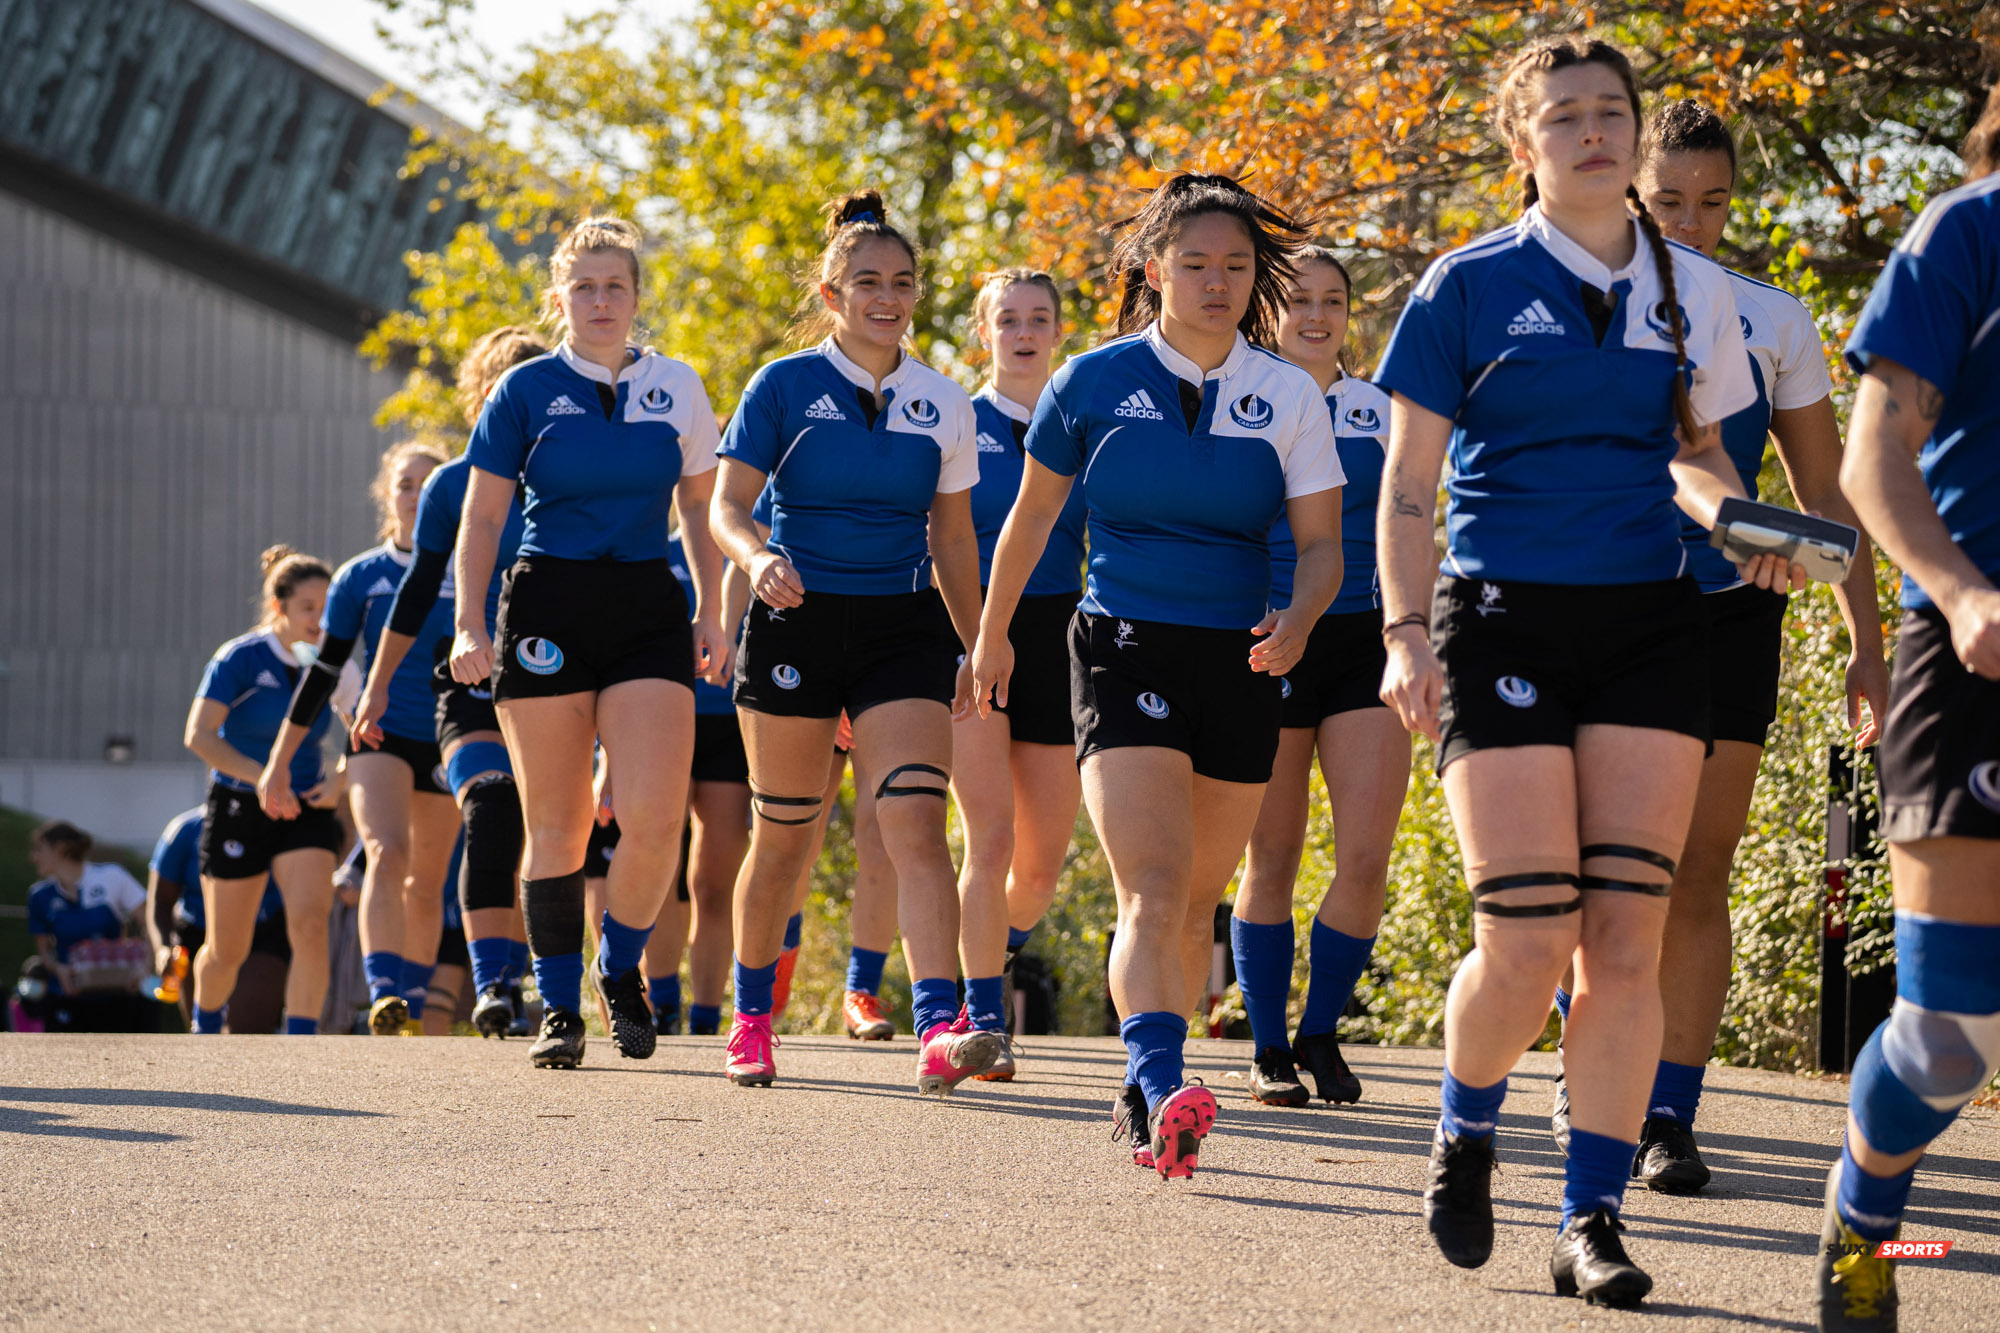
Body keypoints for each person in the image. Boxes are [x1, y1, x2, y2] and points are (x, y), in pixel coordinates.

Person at [1373, 35, 1813, 1304]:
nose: (1591, 132)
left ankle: (1590, 1215)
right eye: (1561, 116)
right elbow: (1406, 490)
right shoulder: (1460, 287)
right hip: (1498, 617)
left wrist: (1748, 532)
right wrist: (1404, 635)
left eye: (1609, 112)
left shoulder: (1692, 293)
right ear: (1523, 145)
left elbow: (1697, 457)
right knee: (1526, 935)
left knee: (1623, 938)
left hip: (1649, 622)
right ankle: (1463, 1126)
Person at [971, 172, 1345, 1178]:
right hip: (1121, 641)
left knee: (1194, 905)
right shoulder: (1088, 382)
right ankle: (1163, 1076)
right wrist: (992, 633)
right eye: (1194, 265)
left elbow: (1319, 546)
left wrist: (1302, 617)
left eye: (1234, 267)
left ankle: (1141, 1086)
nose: (1216, 283)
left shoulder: (1288, 395)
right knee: (1149, 884)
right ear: (1153, 271)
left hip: (1241, 654)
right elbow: (1030, 520)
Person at [1551, 99, 1885, 1192]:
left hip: (1729, 610)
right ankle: (1586, 1061)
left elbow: (1823, 495)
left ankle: (1665, 1116)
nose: (1689, 224)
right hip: (1590, 603)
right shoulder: (1559, 302)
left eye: (1713, 202)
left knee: (1697, 869)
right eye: (1668, 202)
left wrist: (1865, 647)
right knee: (1594, 872)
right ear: (1628, 193)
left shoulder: (1769, 319)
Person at [710, 189, 995, 1093]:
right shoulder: (783, 386)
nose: (888, 296)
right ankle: (752, 1018)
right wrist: (756, 559)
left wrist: (978, 640)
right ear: (832, 295)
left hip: (902, 626)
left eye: (903, 282)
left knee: (913, 819)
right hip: (797, 614)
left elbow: (953, 540)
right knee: (785, 834)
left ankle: (940, 1028)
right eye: (867, 281)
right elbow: (725, 507)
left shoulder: (944, 402)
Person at [1812, 86, 2000, 1332]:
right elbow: (1868, 453)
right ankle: (1866, 1215)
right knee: (1946, 1037)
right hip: (1972, 650)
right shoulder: (1964, 236)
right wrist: (1956, 590)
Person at [451, 216, 726, 1070]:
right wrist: (467, 620)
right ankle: (559, 1006)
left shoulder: (676, 385)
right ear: (560, 298)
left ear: (637, 298)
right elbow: (483, 515)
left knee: (652, 820)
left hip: (646, 600)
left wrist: (713, 608)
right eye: (584, 286)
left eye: (615, 286)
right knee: (561, 825)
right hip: (547, 604)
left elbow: (700, 510)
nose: (600, 300)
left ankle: (621, 967)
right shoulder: (525, 391)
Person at [1229, 246, 1409, 1108]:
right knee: (1273, 850)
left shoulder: (1383, 410)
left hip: (1364, 636)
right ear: (1271, 310)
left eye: (1332, 300)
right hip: (1266, 634)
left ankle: (1321, 1031)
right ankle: (1266, 1044)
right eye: (1298, 299)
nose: (1315, 314)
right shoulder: (1240, 396)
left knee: (1366, 852)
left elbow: (1415, 525)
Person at [357, 325, 547, 1039]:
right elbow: (414, 593)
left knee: (550, 832)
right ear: (481, 396)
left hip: (559, 679)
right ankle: (492, 982)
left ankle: (535, 975)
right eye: (505, 389)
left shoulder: (569, 473)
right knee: (491, 812)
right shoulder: (451, 483)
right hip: (466, 678)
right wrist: (376, 686)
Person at [262, 441, 457, 1036]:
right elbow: (323, 673)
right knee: (386, 854)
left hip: (452, 736)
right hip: (380, 732)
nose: (416, 494)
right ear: (386, 494)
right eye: (405, 483)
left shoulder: (472, 567)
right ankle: (384, 993)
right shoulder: (361, 577)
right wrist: (280, 761)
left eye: (430, 483)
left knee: (428, 882)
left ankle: (414, 1010)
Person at [950, 268, 1089, 1080]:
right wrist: (971, 637)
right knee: (989, 834)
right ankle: (982, 1017)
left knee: (1037, 867)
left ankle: (988, 956)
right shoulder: (957, 425)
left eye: (1040, 317)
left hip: (1059, 636)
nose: (1024, 332)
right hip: (966, 637)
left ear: (1058, 333)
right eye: (1008, 319)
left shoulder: (1083, 425)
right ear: (984, 334)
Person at [183, 545, 343, 1034]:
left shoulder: (333, 660)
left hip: (305, 807)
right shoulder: (241, 658)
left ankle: (301, 1043)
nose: (319, 619)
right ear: (280, 608)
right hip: (240, 804)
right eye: (308, 608)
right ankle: (206, 1025)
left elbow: (365, 729)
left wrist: (340, 778)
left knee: (311, 926)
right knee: (229, 946)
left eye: (327, 607)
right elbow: (199, 735)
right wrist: (263, 777)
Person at [146, 806, 289, 1033]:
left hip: (262, 934)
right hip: (198, 934)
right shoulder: (185, 830)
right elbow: (160, 900)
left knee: (246, 1034)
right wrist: (163, 947)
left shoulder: (281, 825)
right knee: (206, 1035)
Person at [24, 821, 152, 1031]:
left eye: (39, 849)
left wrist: (145, 967)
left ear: (60, 849)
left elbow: (151, 923)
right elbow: (45, 952)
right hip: (65, 997)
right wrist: (60, 970)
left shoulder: (112, 877)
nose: (34, 857)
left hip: (117, 995)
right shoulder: (39, 895)